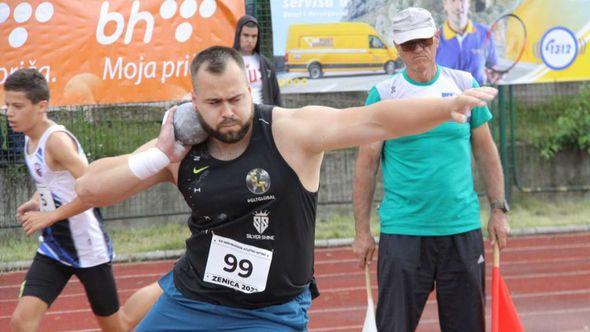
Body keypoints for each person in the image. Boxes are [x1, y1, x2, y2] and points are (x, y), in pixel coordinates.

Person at [75, 45, 496, 331]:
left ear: (250, 90)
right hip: (194, 300)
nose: (227, 112)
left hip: (270, 313)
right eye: (214, 103)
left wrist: (446, 106)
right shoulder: (182, 147)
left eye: (236, 99)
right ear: (193, 101)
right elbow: (91, 189)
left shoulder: (290, 133)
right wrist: (160, 153)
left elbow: (375, 120)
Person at [352, 7, 510, 332]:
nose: (419, 49)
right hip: (403, 233)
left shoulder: (465, 84)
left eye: (424, 40)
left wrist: (498, 209)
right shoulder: (383, 96)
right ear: (397, 47)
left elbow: (486, 150)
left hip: (461, 230)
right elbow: (365, 166)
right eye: (410, 45)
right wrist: (361, 231)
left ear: (436, 38)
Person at [5, 68, 122, 331]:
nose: (9, 113)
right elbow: (53, 181)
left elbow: (95, 190)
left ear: (41, 106)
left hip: (88, 247)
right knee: (21, 323)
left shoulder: (56, 141)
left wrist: (50, 216)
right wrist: (37, 200)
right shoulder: (28, 137)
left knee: (116, 327)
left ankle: (161, 296)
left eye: (17, 106)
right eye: (7, 105)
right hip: (54, 246)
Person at [436, 0, 501, 85]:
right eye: (453, 1)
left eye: (462, 1)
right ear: (445, 5)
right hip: (447, 97)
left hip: (478, 96)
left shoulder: (485, 33)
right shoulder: (435, 38)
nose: (459, 6)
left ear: (469, 3)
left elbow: (493, 66)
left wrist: (494, 75)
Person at [233, 15, 282, 106]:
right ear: (238, 35)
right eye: (246, 35)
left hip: (262, 115)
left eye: (254, 36)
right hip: (237, 115)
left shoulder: (266, 65)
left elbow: (276, 96)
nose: (250, 40)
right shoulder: (228, 62)